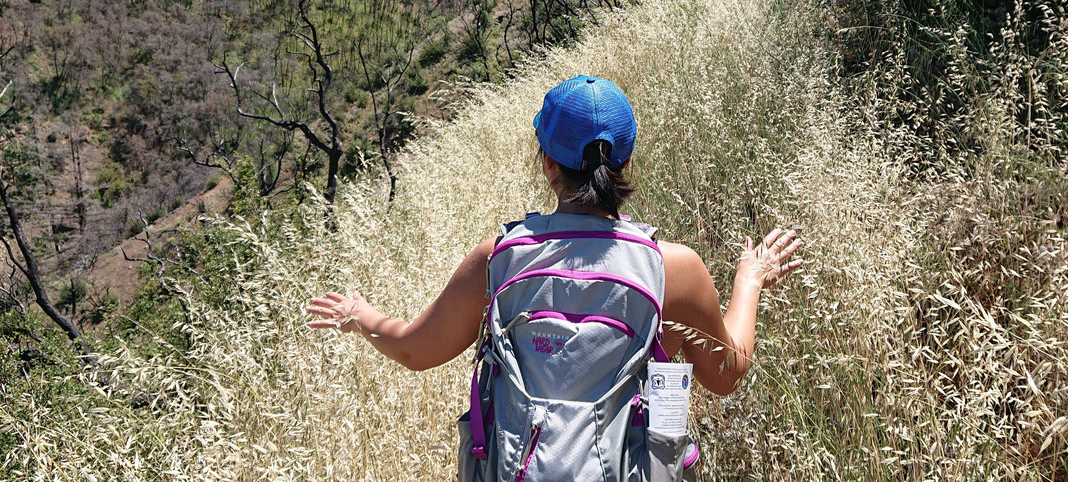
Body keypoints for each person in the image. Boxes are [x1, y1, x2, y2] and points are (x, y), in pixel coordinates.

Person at [307, 74, 803, 397]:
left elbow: (415, 350)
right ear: (626, 160)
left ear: (548, 163)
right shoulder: (672, 268)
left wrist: (359, 314)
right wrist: (750, 279)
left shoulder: (498, 261)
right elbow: (725, 373)